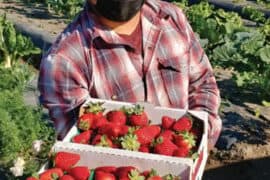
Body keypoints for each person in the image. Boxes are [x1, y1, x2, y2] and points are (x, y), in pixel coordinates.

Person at [38, 0, 222, 150]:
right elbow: (78, 144)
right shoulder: (64, 60)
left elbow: (202, 82)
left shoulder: (171, 18)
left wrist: (199, 140)